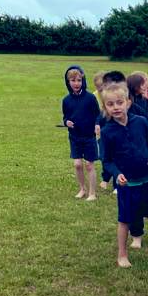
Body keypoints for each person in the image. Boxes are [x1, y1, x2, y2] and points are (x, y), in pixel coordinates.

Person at [100, 82, 148, 267]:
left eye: (119, 102)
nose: (116, 107)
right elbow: (106, 160)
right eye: (110, 104)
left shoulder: (141, 121)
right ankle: (122, 254)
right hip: (127, 185)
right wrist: (117, 173)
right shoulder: (107, 133)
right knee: (125, 220)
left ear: (128, 103)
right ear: (105, 107)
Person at [62, 65, 100, 201]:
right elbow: (65, 117)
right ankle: (82, 189)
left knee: (89, 165)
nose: (76, 83)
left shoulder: (90, 98)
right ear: (68, 82)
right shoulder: (66, 100)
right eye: (73, 81)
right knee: (77, 164)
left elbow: (98, 114)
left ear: (83, 81)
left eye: (78, 80)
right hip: (74, 136)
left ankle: (92, 193)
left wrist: (96, 124)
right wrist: (67, 122)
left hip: (89, 136)